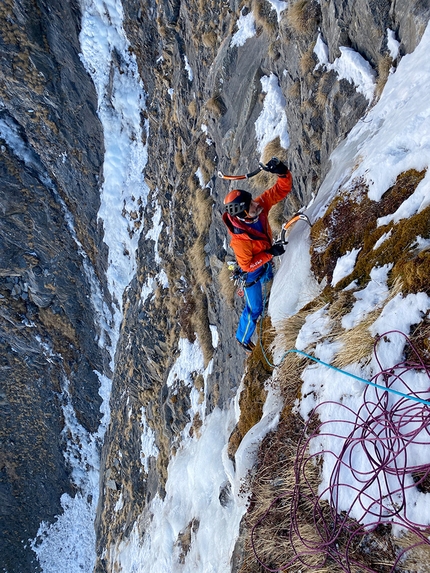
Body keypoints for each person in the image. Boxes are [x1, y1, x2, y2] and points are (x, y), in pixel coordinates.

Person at [222, 158, 293, 353]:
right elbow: (247, 266)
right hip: (251, 274)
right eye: (251, 205)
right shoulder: (240, 242)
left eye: (253, 200)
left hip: (264, 260)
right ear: (244, 214)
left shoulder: (258, 210)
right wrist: (270, 253)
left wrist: (282, 172)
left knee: (269, 279)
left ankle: (271, 292)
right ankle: (243, 338)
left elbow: (280, 190)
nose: (257, 203)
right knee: (255, 310)